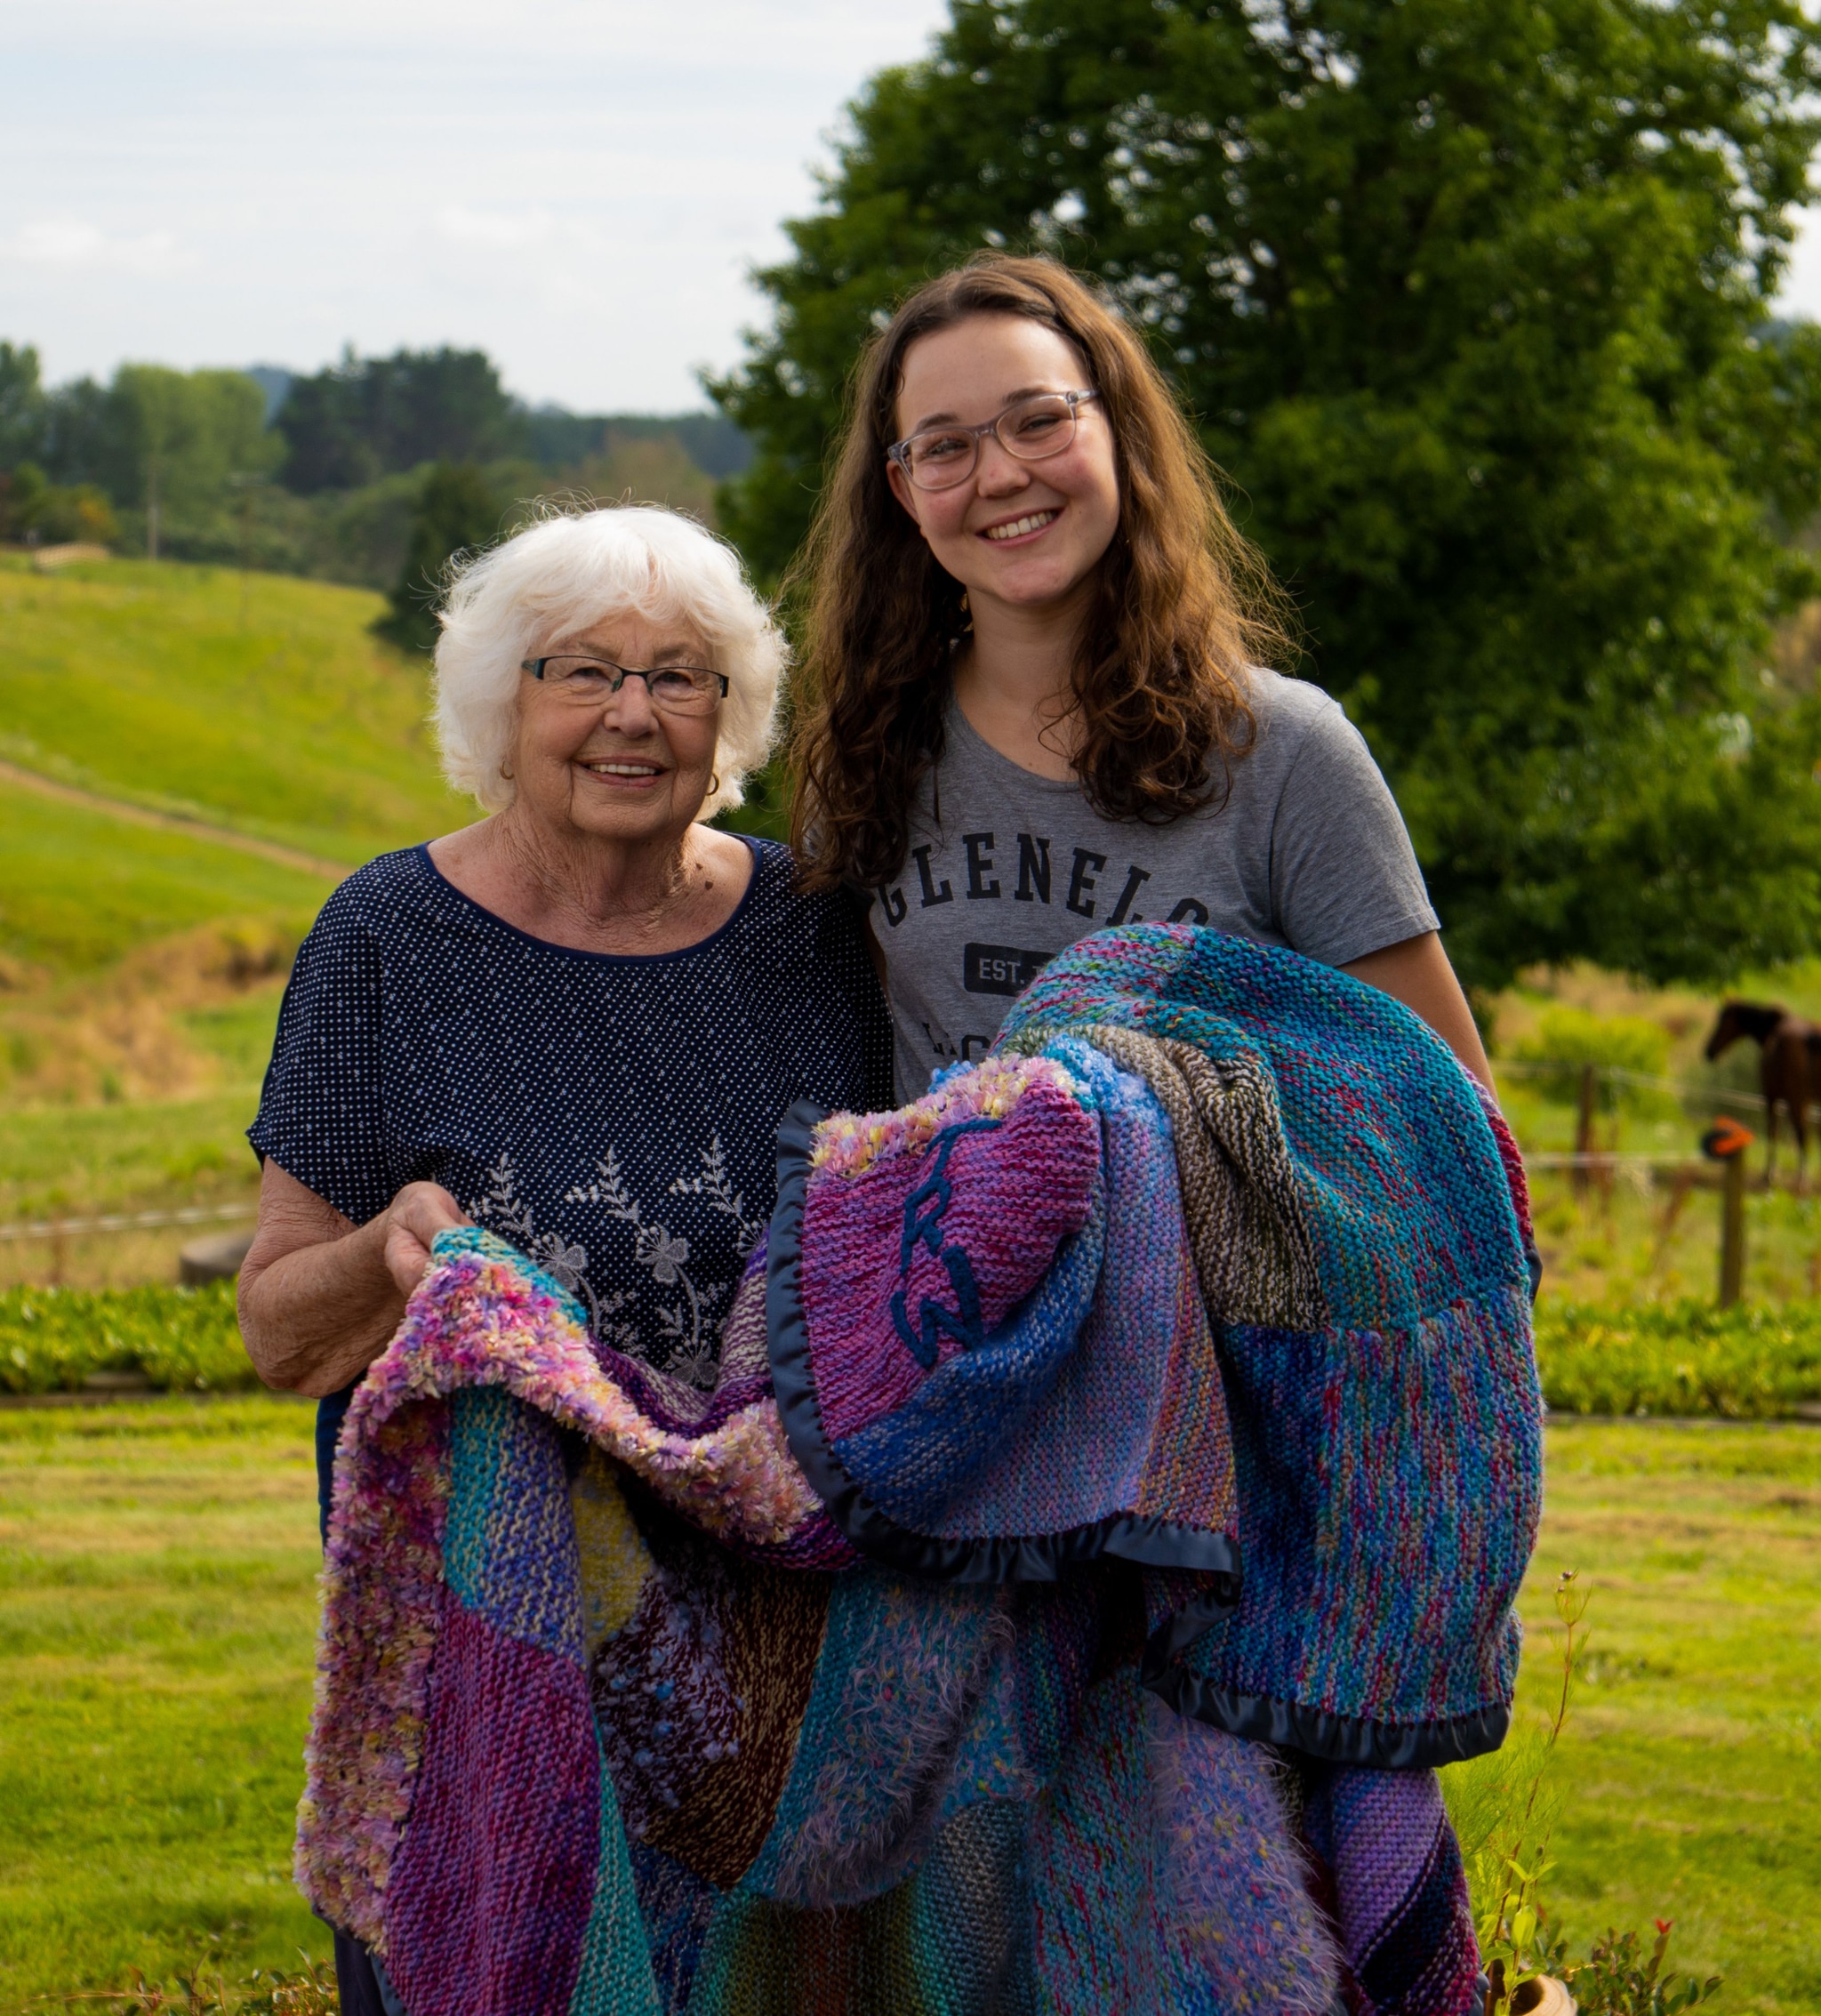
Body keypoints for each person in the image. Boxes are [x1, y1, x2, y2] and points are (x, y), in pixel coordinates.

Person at [237, 503, 889, 2014]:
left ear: (729, 715)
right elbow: (279, 1330)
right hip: (480, 1645)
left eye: (680, 676)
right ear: (498, 703)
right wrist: (389, 1245)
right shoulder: (387, 936)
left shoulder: (808, 929)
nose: (630, 714)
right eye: (580, 671)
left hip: (758, 1648)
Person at [786, 253, 1493, 1101]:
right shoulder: (870, 753)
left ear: (1118, 427)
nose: (1002, 474)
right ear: (905, 491)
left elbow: (1456, 1134)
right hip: (941, 1237)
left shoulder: (1286, 755)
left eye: (1039, 420)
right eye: (944, 447)